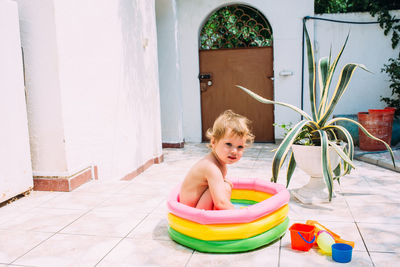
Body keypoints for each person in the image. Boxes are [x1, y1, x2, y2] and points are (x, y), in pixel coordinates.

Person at [179, 110, 254, 210]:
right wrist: (240, 215)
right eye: (228, 144)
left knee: (225, 185)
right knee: (225, 187)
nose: (234, 151)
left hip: (195, 208)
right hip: (193, 215)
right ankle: (219, 220)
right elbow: (221, 203)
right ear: (213, 142)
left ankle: (219, 216)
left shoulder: (218, 163)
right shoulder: (211, 167)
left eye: (240, 147)